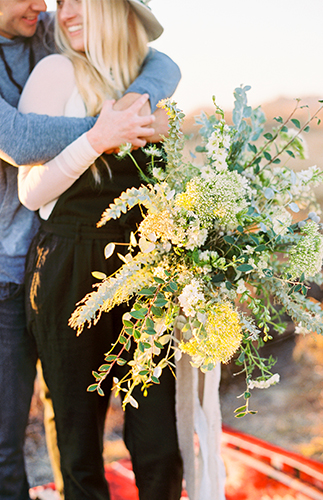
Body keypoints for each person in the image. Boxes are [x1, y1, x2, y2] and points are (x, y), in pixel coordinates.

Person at [0, 0, 181, 498]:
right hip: (67, 268)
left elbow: (167, 63)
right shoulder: (57, 70)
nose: (65, 10)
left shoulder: (145, 79)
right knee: (78, 443)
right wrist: (100, 138)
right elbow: (30, 188)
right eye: (64, 1)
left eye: (82, 0)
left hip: (145, 271)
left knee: (159, 441)